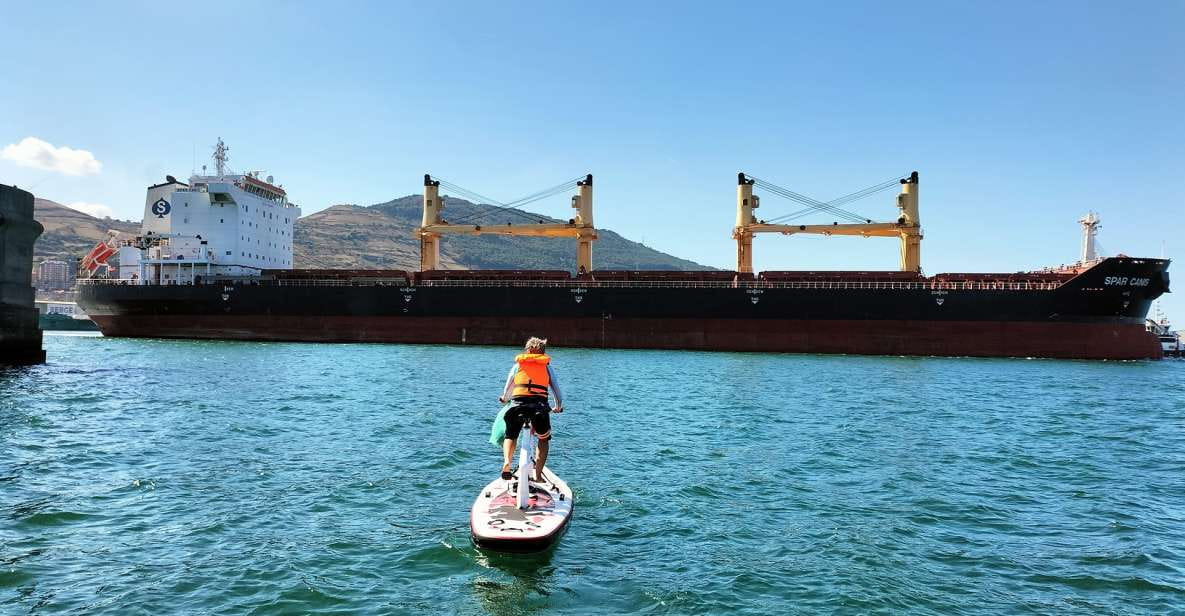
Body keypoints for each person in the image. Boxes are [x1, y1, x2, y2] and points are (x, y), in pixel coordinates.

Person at [498, 337, 563, 482]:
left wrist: (504, 398)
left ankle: (507, 462)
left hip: (517, 406)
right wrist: (558, 406)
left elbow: (508, 388)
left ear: (526, 351)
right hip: (538, 408)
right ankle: (538, 475)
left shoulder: (518, 366)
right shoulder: (546, 366)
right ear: (543, 352)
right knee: (543, 439)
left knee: (510, 436)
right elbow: (556, 390)